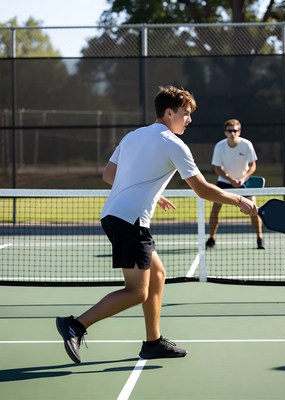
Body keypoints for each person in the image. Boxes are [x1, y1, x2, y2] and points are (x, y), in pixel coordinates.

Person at [56, 86, 258, 364]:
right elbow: (202, 189)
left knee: (158, 274)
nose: (189, 120)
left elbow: (109, 174)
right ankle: (76, 325)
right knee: (137, 291)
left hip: (114, 214)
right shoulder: (172, 143)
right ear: (169, 112)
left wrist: (150, 189)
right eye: (186, 114)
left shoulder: (132, 136)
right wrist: (238, 200)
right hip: (131, 220)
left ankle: (153, 342)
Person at [205, 119, 265, 250]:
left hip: (244, 182)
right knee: (215, 209)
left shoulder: (246, 144)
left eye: (235, 130)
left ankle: (260, 238)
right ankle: (211, 238)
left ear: (239, 131)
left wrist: (242, 178)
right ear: (225, 132)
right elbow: (217, 168)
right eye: (230, 131)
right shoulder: (220, 146)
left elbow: (252, 165)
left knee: (253, 209)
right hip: (224, 182)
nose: (233, 133)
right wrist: (231, 180)